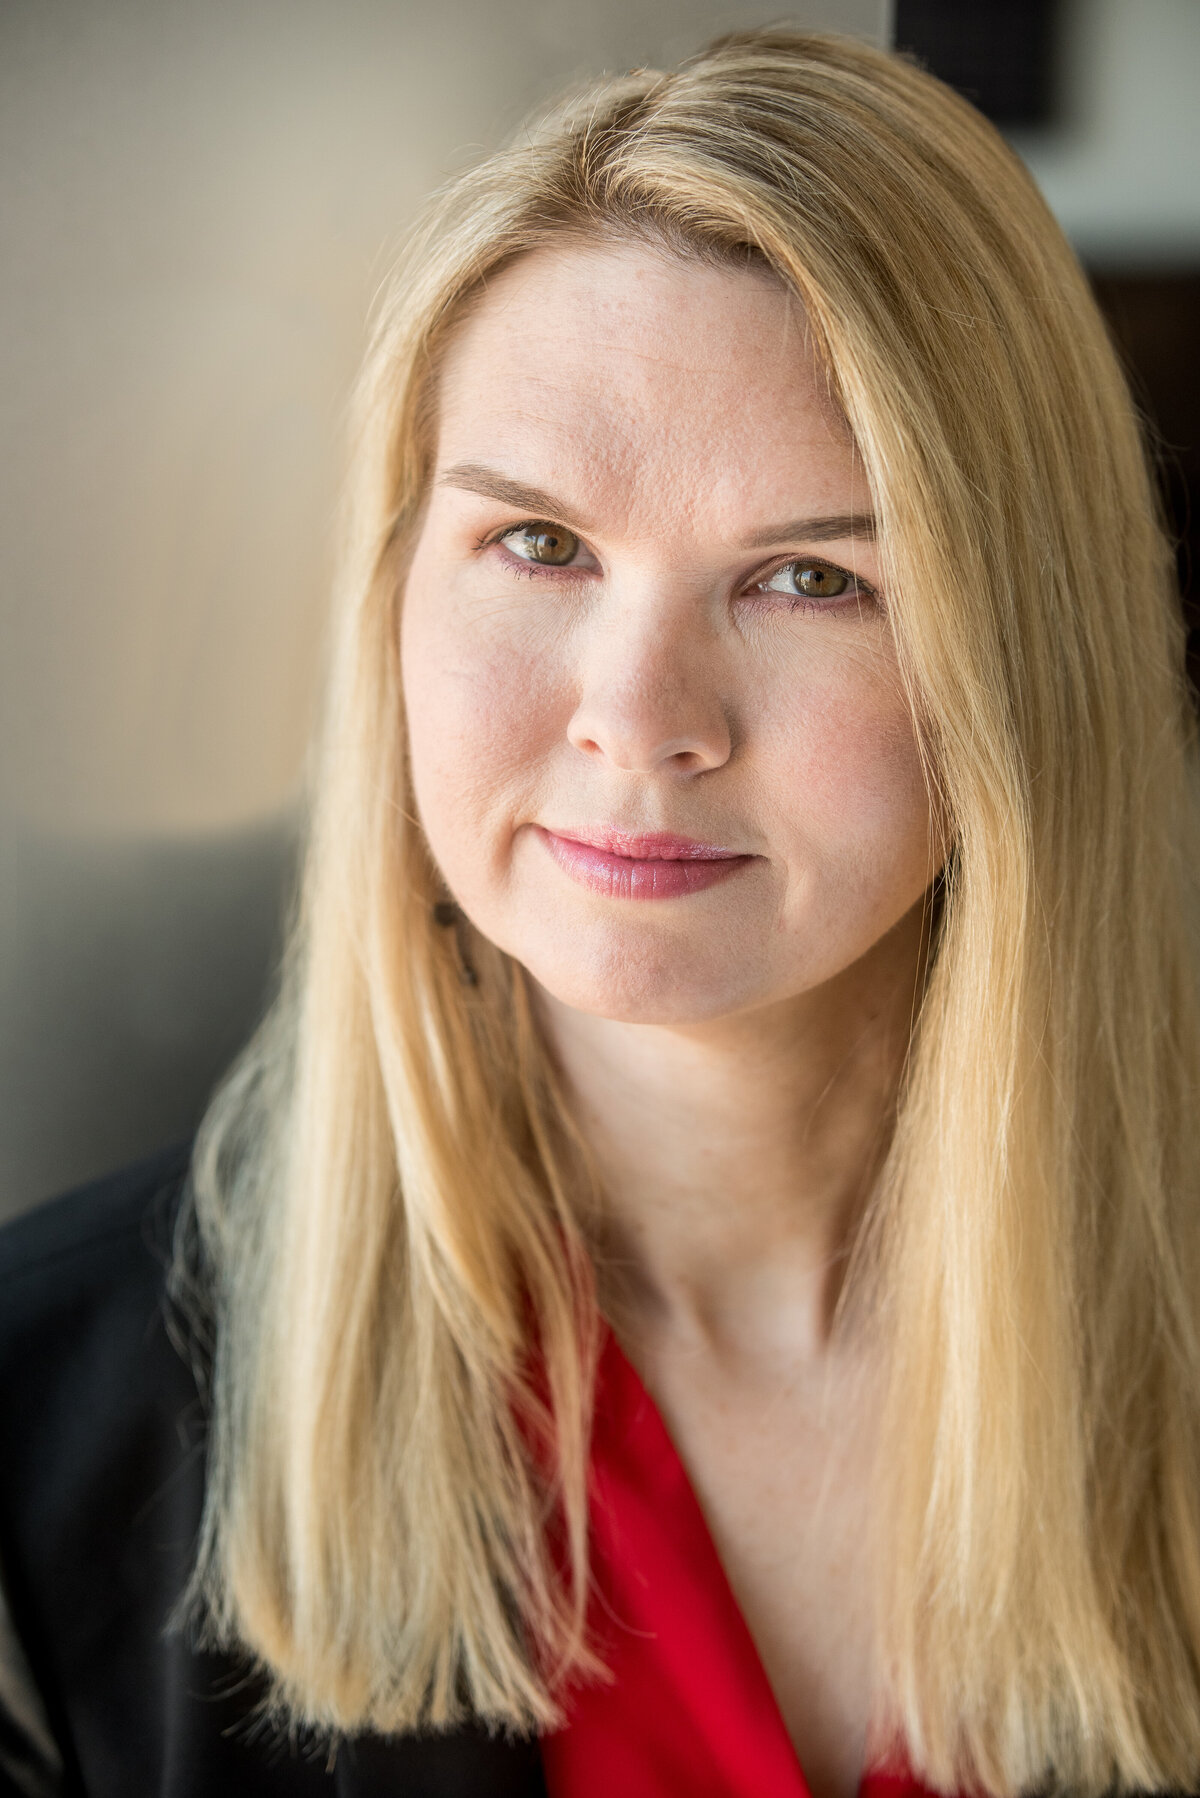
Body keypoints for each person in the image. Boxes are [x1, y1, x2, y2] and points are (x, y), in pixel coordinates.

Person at [2, 25, 1199, 1798]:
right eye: (539, 546)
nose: (639, 714)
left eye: (811, 576)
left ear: (1026, 666)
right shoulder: (37, 1441)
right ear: (396, 597)